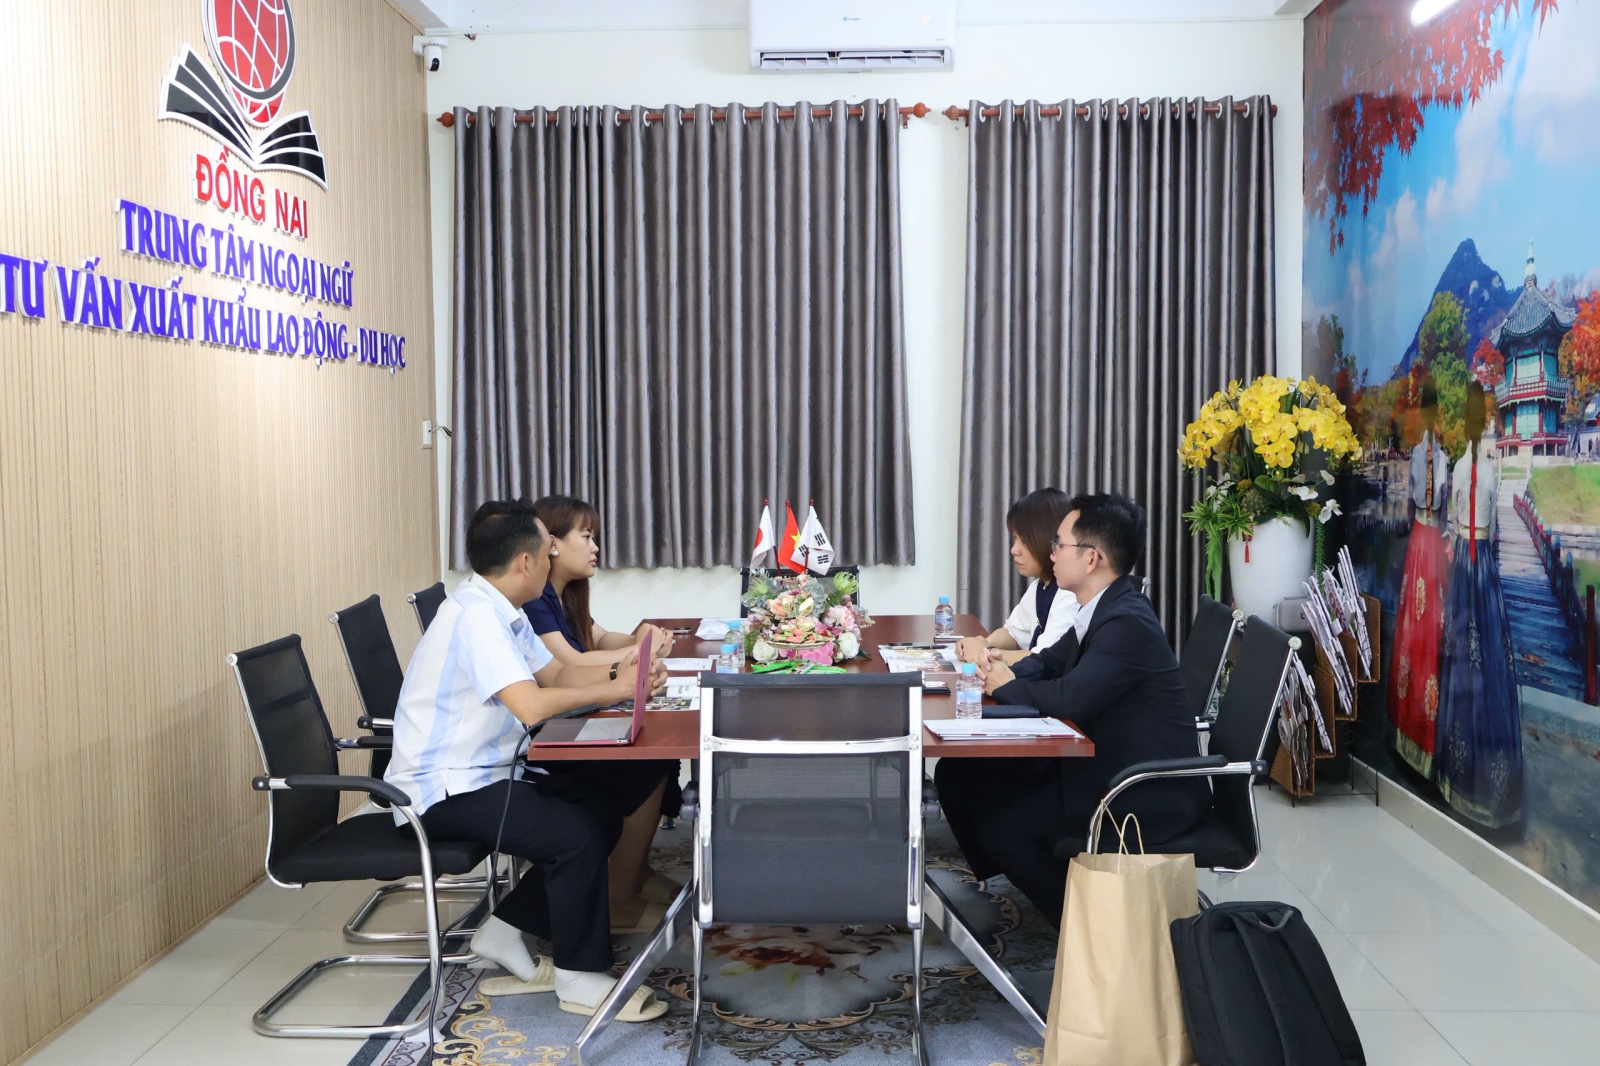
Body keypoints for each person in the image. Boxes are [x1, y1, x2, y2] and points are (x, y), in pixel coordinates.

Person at [385, 499, 668, 1021]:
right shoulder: (475, 618)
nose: (550, 559)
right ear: (525, 562)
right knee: (574, 835)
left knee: (601, 813)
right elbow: (531, 705)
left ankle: (502, 929)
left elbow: (555, 675)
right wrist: (618, 685)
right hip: (441, 789)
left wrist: (624, 672)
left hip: (489, 772)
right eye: (546, 552)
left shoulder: (504, 611)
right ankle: (579, 978)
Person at [935, 492, 1207, 925]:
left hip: (1140, 788)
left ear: (1092, 558)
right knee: (963, 775)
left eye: (1059, 545)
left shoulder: (1126, 622)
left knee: (1004, 826)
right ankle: (1038, 882)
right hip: (1102, 763)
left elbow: (1068, 698)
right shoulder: (1101, 606)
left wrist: (1006, 685)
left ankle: (1086, 926)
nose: (1052, 553)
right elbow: (1049, 661)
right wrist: (999, 664)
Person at [525, 494, 684, 919]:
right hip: (543, 736)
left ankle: (637, 873)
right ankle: (619, 895)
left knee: (658, 753)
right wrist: (634, 658)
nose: (595, 547)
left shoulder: (567, 592)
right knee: (646, 762)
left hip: (570, 714)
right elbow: (567, 665)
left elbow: (599, 638)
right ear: (552, 544)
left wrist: (638, 638)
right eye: (586, 536)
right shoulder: (535, 599)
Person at [1435, 384, 1524, 827]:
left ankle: (1459, 775)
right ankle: (1495, 785)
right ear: (1484, 421)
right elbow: (1495, 528)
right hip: (1485, 567)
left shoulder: (1458, 467)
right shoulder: (1491, 471)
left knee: (1461, 662)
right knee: (1490, 662)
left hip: (1464, 569)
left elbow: (1454, 524)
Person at [1389, 377, 1450, 778]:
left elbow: (1414, 499)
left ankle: (1407, 724)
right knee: (1431, 627)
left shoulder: (1419, 454)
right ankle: (1427, 729)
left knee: (1413, 624)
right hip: (1433, 539)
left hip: (1417, 541)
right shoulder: (1441, 457)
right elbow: (1439, 504)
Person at [954, 488, 1079, 667]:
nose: (1014, 550)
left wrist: (985, 652)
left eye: (1024, 540)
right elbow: (1013, 633)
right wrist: (982, 643)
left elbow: (1043, 659)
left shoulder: (1070, 593)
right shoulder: (1040, 586)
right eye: (1015, 538)